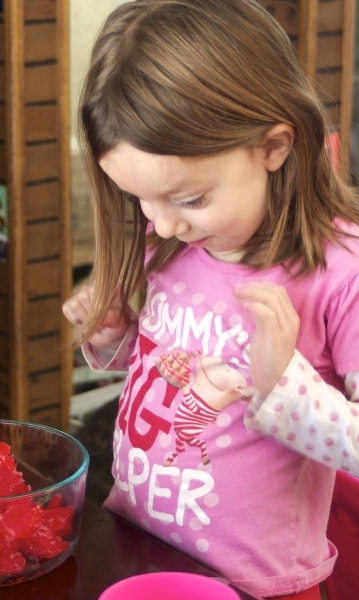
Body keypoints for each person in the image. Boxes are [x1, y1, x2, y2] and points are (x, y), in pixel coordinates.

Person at [62, 1, 359, 598]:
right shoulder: (170, 240)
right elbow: (168, 367)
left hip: (260, 585)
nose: (162, 225)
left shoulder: (340, 272)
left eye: (190, 199)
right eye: (141, 200)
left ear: (274, 146)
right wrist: (115, 335)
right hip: (137, 546)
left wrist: (284, 386)